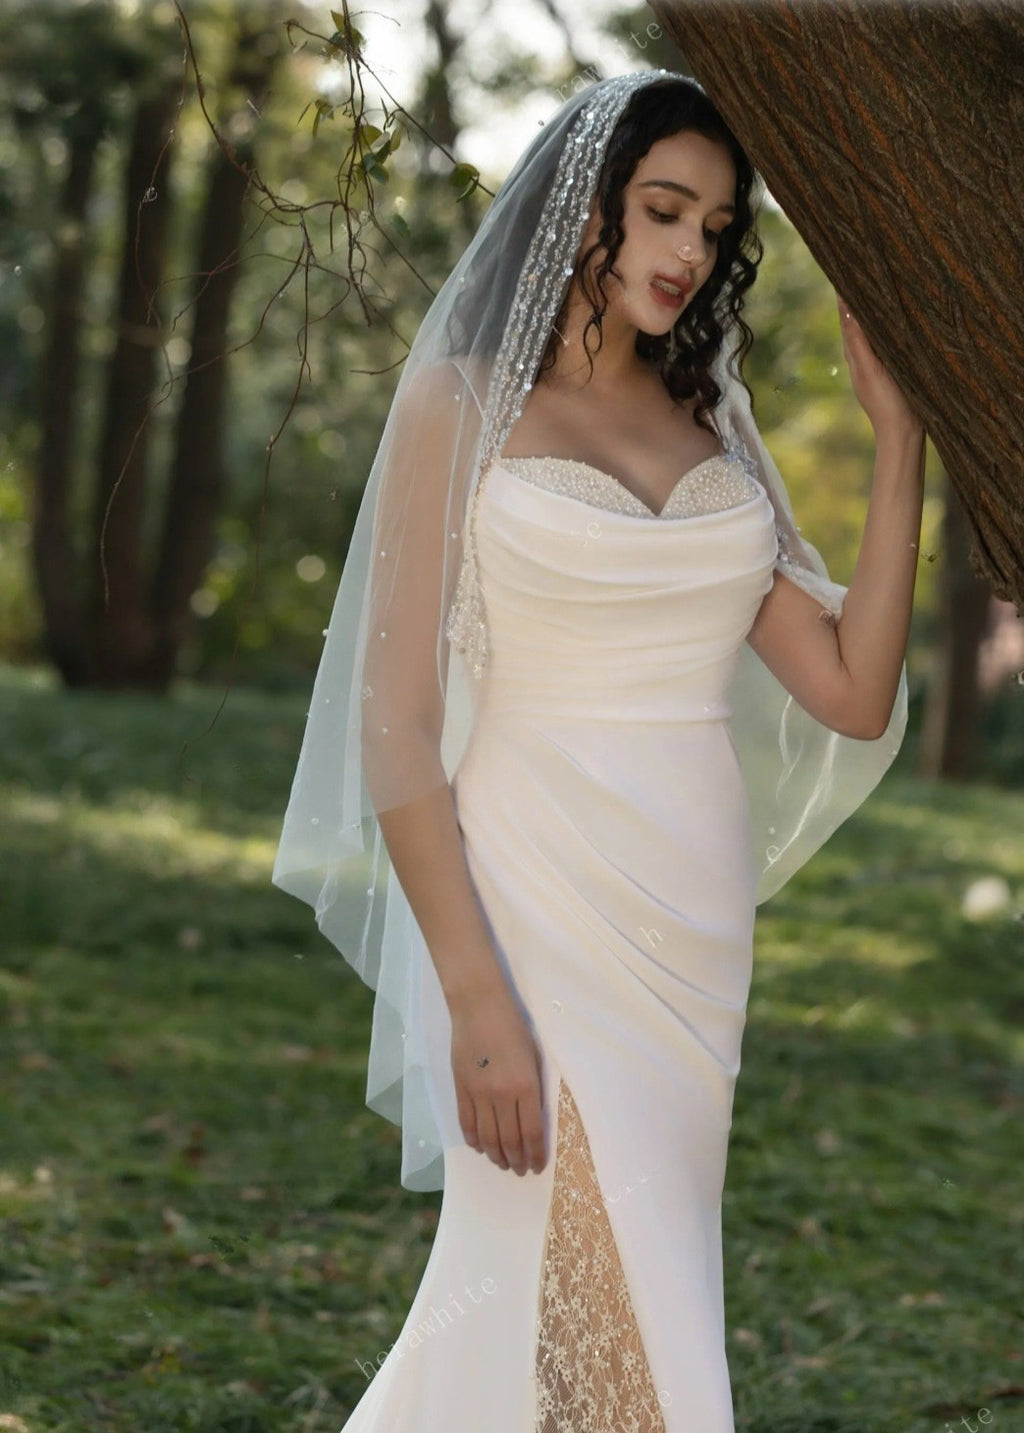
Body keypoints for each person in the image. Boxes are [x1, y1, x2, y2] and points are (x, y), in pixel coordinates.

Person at [272, 69, 925, 1432]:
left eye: (713, 226)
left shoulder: (715, 433)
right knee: (557, 1294)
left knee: (637, 1291)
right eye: (662, 210)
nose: (689, 251)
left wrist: (899, 441)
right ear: (587, 211)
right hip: (532, 911)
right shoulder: (462, 405)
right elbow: (394, 722)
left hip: (689, 936)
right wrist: (476, 999)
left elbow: (856, 691)